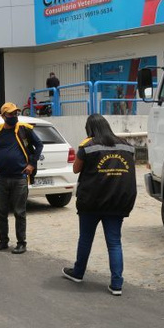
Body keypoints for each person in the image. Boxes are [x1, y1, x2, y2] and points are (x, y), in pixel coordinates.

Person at [62, 114, 137, 296]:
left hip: (91, 202)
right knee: (114, 242)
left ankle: (78, 273)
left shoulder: (88, 146)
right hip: (117, 201)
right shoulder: (126, 146)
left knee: (85, 239)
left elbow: (75, 169)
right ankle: (117, 284)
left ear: (90, 129)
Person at [0, 102, 43, 254]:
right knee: (1, 212)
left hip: (20, 178)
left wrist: (31, 164)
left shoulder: (24, 129)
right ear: (3, 116)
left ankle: (21, 243)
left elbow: (39, 145)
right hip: (1, 178)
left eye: (16, 113)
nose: (14, 116)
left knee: (19, 212)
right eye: (11, 114)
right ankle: (3, 241)